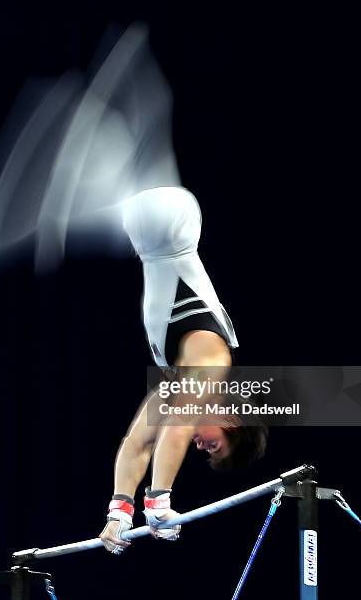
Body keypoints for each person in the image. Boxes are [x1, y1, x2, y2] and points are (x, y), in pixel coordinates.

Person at [99, 187, 267, 554]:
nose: (200, 445)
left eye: (206, 451)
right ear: (232, 421)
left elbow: (138, 444)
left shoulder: (177, 383)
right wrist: (159, 502)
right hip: (172, 223)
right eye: (214, 445)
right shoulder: (213, 368)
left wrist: (119, 512)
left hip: (147, 231)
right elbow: (176, 431)